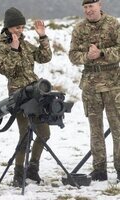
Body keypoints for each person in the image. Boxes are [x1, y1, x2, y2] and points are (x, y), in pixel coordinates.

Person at [0, 7, 52, 187]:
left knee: (44, 132)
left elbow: (45, 57)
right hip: (18, 96)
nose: (19, 30)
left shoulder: (26, 45)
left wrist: (42, 37)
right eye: (16, 27)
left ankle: (33, 169)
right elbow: (6, 70)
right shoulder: (1, 48)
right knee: (25, 134)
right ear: (7, 28)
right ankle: (19, 174)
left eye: (21, 27)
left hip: (35, 93)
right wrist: (13, 49)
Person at [69, 0, 120, 181]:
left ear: (100, 5)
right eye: (85, 7)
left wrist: (102, 53)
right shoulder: (79, 29)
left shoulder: (113, 24)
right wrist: (87, 56)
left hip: (113, 84)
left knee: (118, 127)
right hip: (90, 85)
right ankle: (99, 169)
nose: (88, 10)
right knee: (95, 129)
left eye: (91, 6)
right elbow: (73, 55)